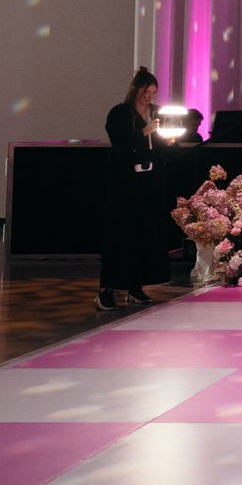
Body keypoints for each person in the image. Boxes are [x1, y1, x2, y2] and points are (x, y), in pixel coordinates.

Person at [100, 68, 169, 310]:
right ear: (135, 90)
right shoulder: (120, 113)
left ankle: (136, 285)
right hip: (125, 181)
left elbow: (160, 145)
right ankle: (108, 287)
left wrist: (166, 140)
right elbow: (120, 143)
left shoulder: (156, 113)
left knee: (144, 232)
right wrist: (143, 132)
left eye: (153, 93)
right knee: (122, 232)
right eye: (145, 92)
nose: (149, 97)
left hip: (149, 181)